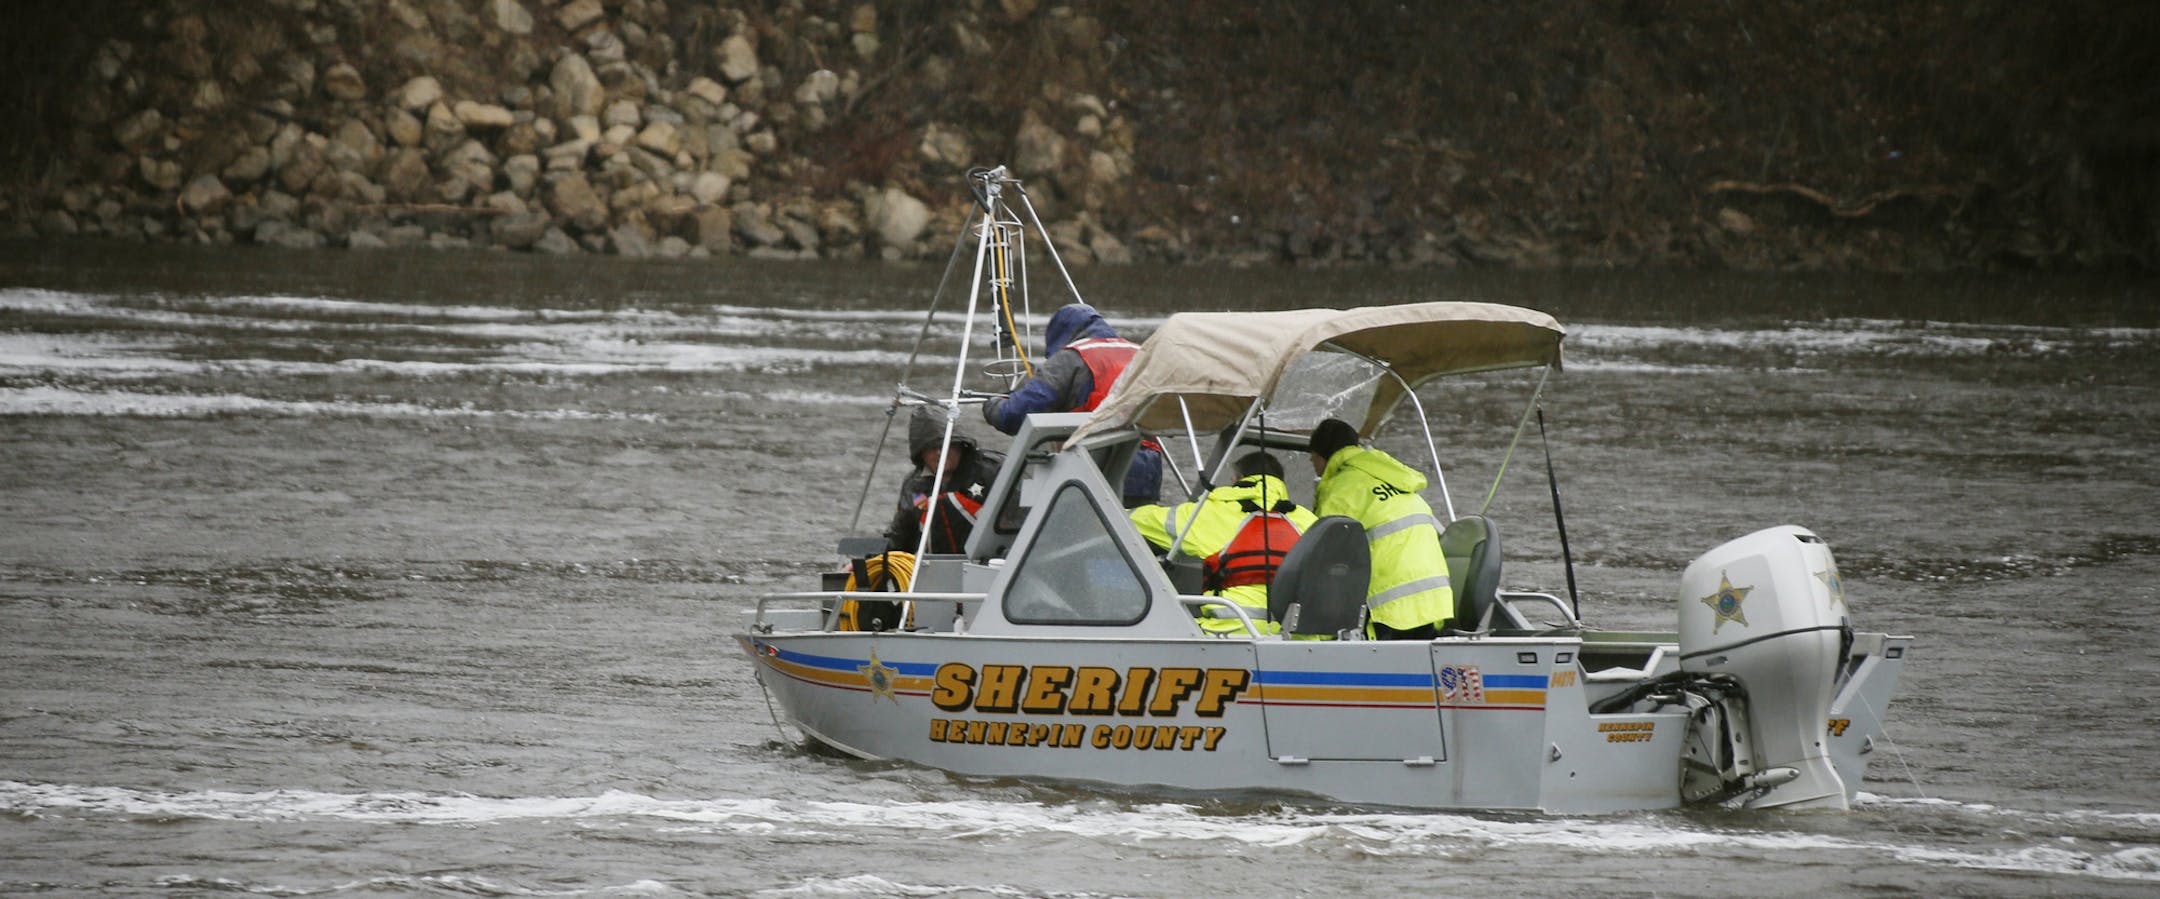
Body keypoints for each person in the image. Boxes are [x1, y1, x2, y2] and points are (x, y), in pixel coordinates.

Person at [982, 302, 1162, 505]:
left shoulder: (1071, 357)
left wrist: (992, 405)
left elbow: (1013, 415)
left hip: (1095, 470)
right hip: (1147, 471)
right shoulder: (1139, 352)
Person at [1130, 452, 1316, 635]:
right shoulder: (1310, 521)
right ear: (1281, 483)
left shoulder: (1211, 512)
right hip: (1297, 635)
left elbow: (1140, 520)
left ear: (1237, 478)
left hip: (1232, 631)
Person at [1308, 418, 1455, 638]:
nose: (1312, 463)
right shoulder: (1393, 477)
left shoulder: (1341, 489)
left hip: (1390, 606)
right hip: (1435, 601)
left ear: (1321, 456)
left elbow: (1322, 555)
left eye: (1312, 457)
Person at [884, 408, 1004, 557]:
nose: (939, 453)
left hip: (989, 564)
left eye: (946, 445)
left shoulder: (991, 470)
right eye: (931, 448)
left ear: (960, 445)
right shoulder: (914, 486)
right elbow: (900, 536)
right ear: (920, 453)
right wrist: (875, 563)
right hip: (934, 568)